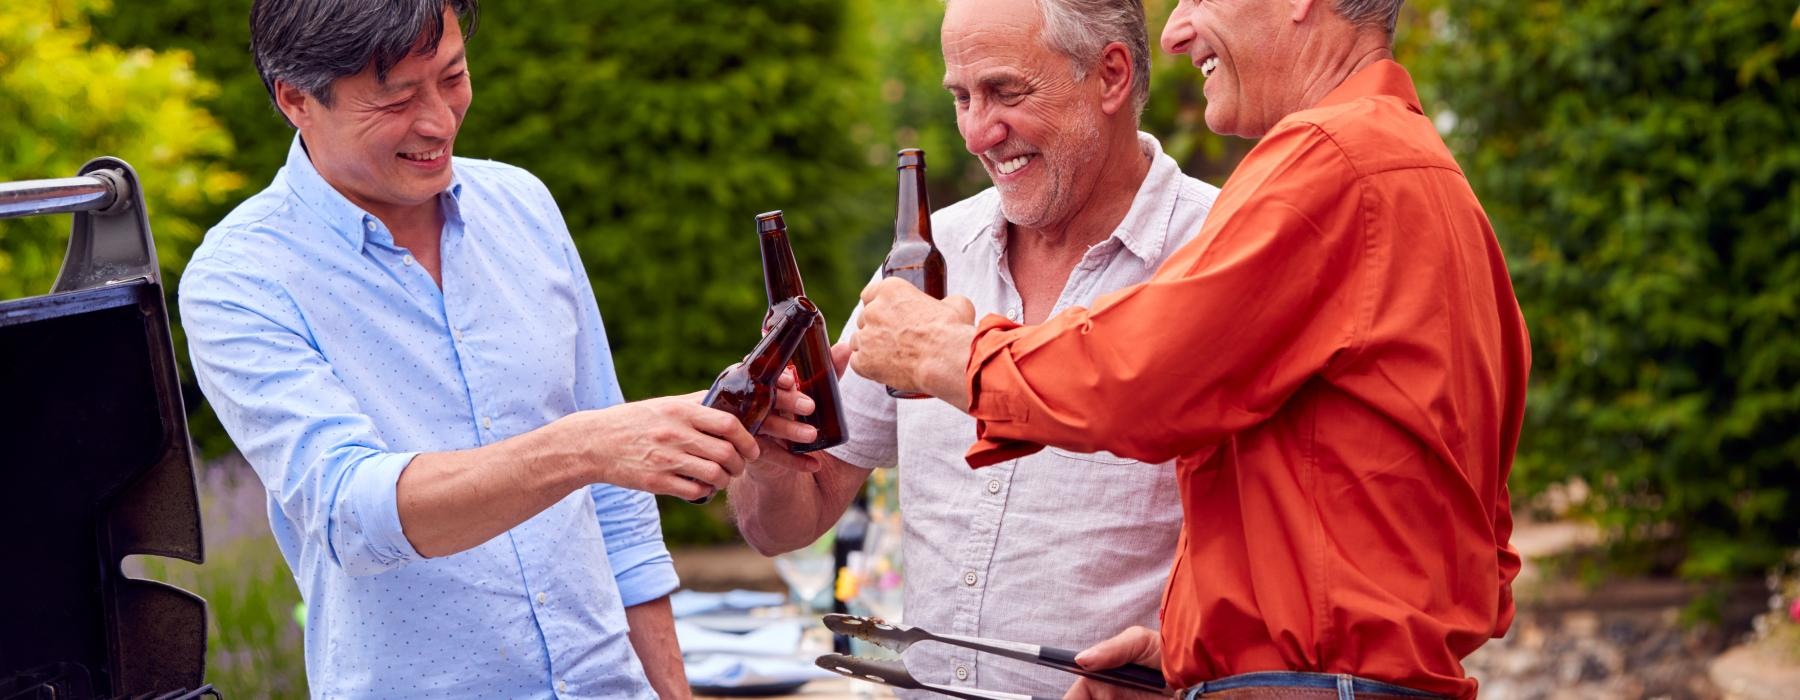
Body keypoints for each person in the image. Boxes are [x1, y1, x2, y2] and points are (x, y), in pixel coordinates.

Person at [847, 0, 1529, 697]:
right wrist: (1197, 654)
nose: (1173, 32)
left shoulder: (1335, 162)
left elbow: (1134, 379)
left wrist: (941, 350)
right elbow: (1467, 531)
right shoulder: (1429, 178)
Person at [180, 1, 808, 696]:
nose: (439, 121)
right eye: (395, 99)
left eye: (452, 77)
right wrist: (584, 448)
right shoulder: (241, 277)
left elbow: (620, 509)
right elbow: (350, 513)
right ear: (296, 99)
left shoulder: (524, 205)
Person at [729, 0, 1218, 695]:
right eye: (961, 96)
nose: (977, 131)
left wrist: (1191, 660)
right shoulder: (932, 255)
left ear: (1111, 76)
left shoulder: (1219, 253)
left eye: (1005, 91)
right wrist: (771, 464)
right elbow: (788, 522)